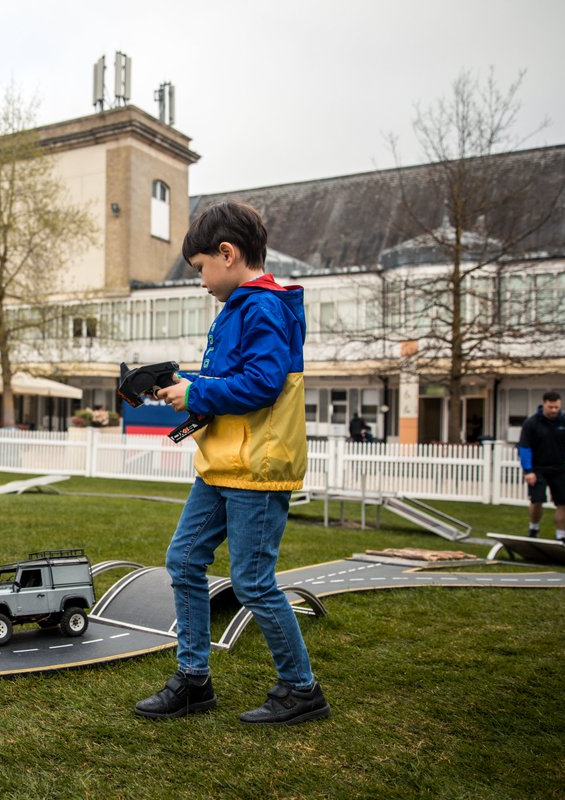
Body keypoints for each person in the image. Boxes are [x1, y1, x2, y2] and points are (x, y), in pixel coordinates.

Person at [134, 201, 329, 725]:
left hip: (258, 470)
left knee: (253, 581)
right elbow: (229, 383)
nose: (201, 282)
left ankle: (301, 689)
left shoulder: (263, 307)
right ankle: (195, 681)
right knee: (183, 560)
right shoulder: (237, 309)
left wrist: (195, 393)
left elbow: (261, 386)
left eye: (200, 269)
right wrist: (186, 387)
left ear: (227, 253)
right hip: (222, 465)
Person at [518, 391, 565, 543]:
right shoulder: (532, 423)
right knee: (537, 500)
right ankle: (533, 528)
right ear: (544, 404)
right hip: (537, 468)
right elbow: (525, 448)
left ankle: (561, 537)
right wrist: (528, 470)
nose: (554, 410)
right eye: (551, 407)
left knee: (563, 503)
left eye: (557, 407)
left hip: (559, 468)